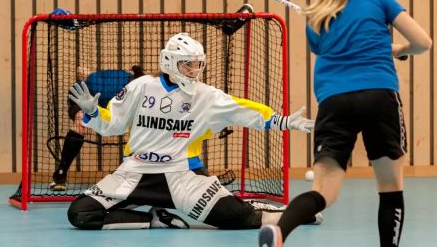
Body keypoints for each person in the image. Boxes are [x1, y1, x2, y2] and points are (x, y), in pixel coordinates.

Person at [254, 0, 432, 247]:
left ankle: (279, 232)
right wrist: (401, 49)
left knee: (324, 191)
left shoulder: (314, 18)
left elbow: (339, 49)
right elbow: (423, 42)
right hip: (378, 95)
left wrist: (388, 48)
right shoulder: (379, 0)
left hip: (334, 102)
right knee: (390, 187)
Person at [66, 32, 321, 230]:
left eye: (197, 65)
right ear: (169, 61)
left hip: (184, 177)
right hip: (134, 173)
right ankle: (155, 219)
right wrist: (94, 112)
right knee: (81, 214)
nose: (193, 71)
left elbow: (244, 110)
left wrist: (284, 121)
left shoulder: (205, 96)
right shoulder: (141, 87)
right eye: (187, 65)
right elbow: (113, 125)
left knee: (240, 219)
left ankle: (294, 212)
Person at [50, 65, 146, 191]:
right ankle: (60, 174)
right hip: (84, 98)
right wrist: (89, 76)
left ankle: (136, 176)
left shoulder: (141, 95)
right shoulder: (106, 84)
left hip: (110, 106)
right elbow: (81, 69)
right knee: (80, 122)